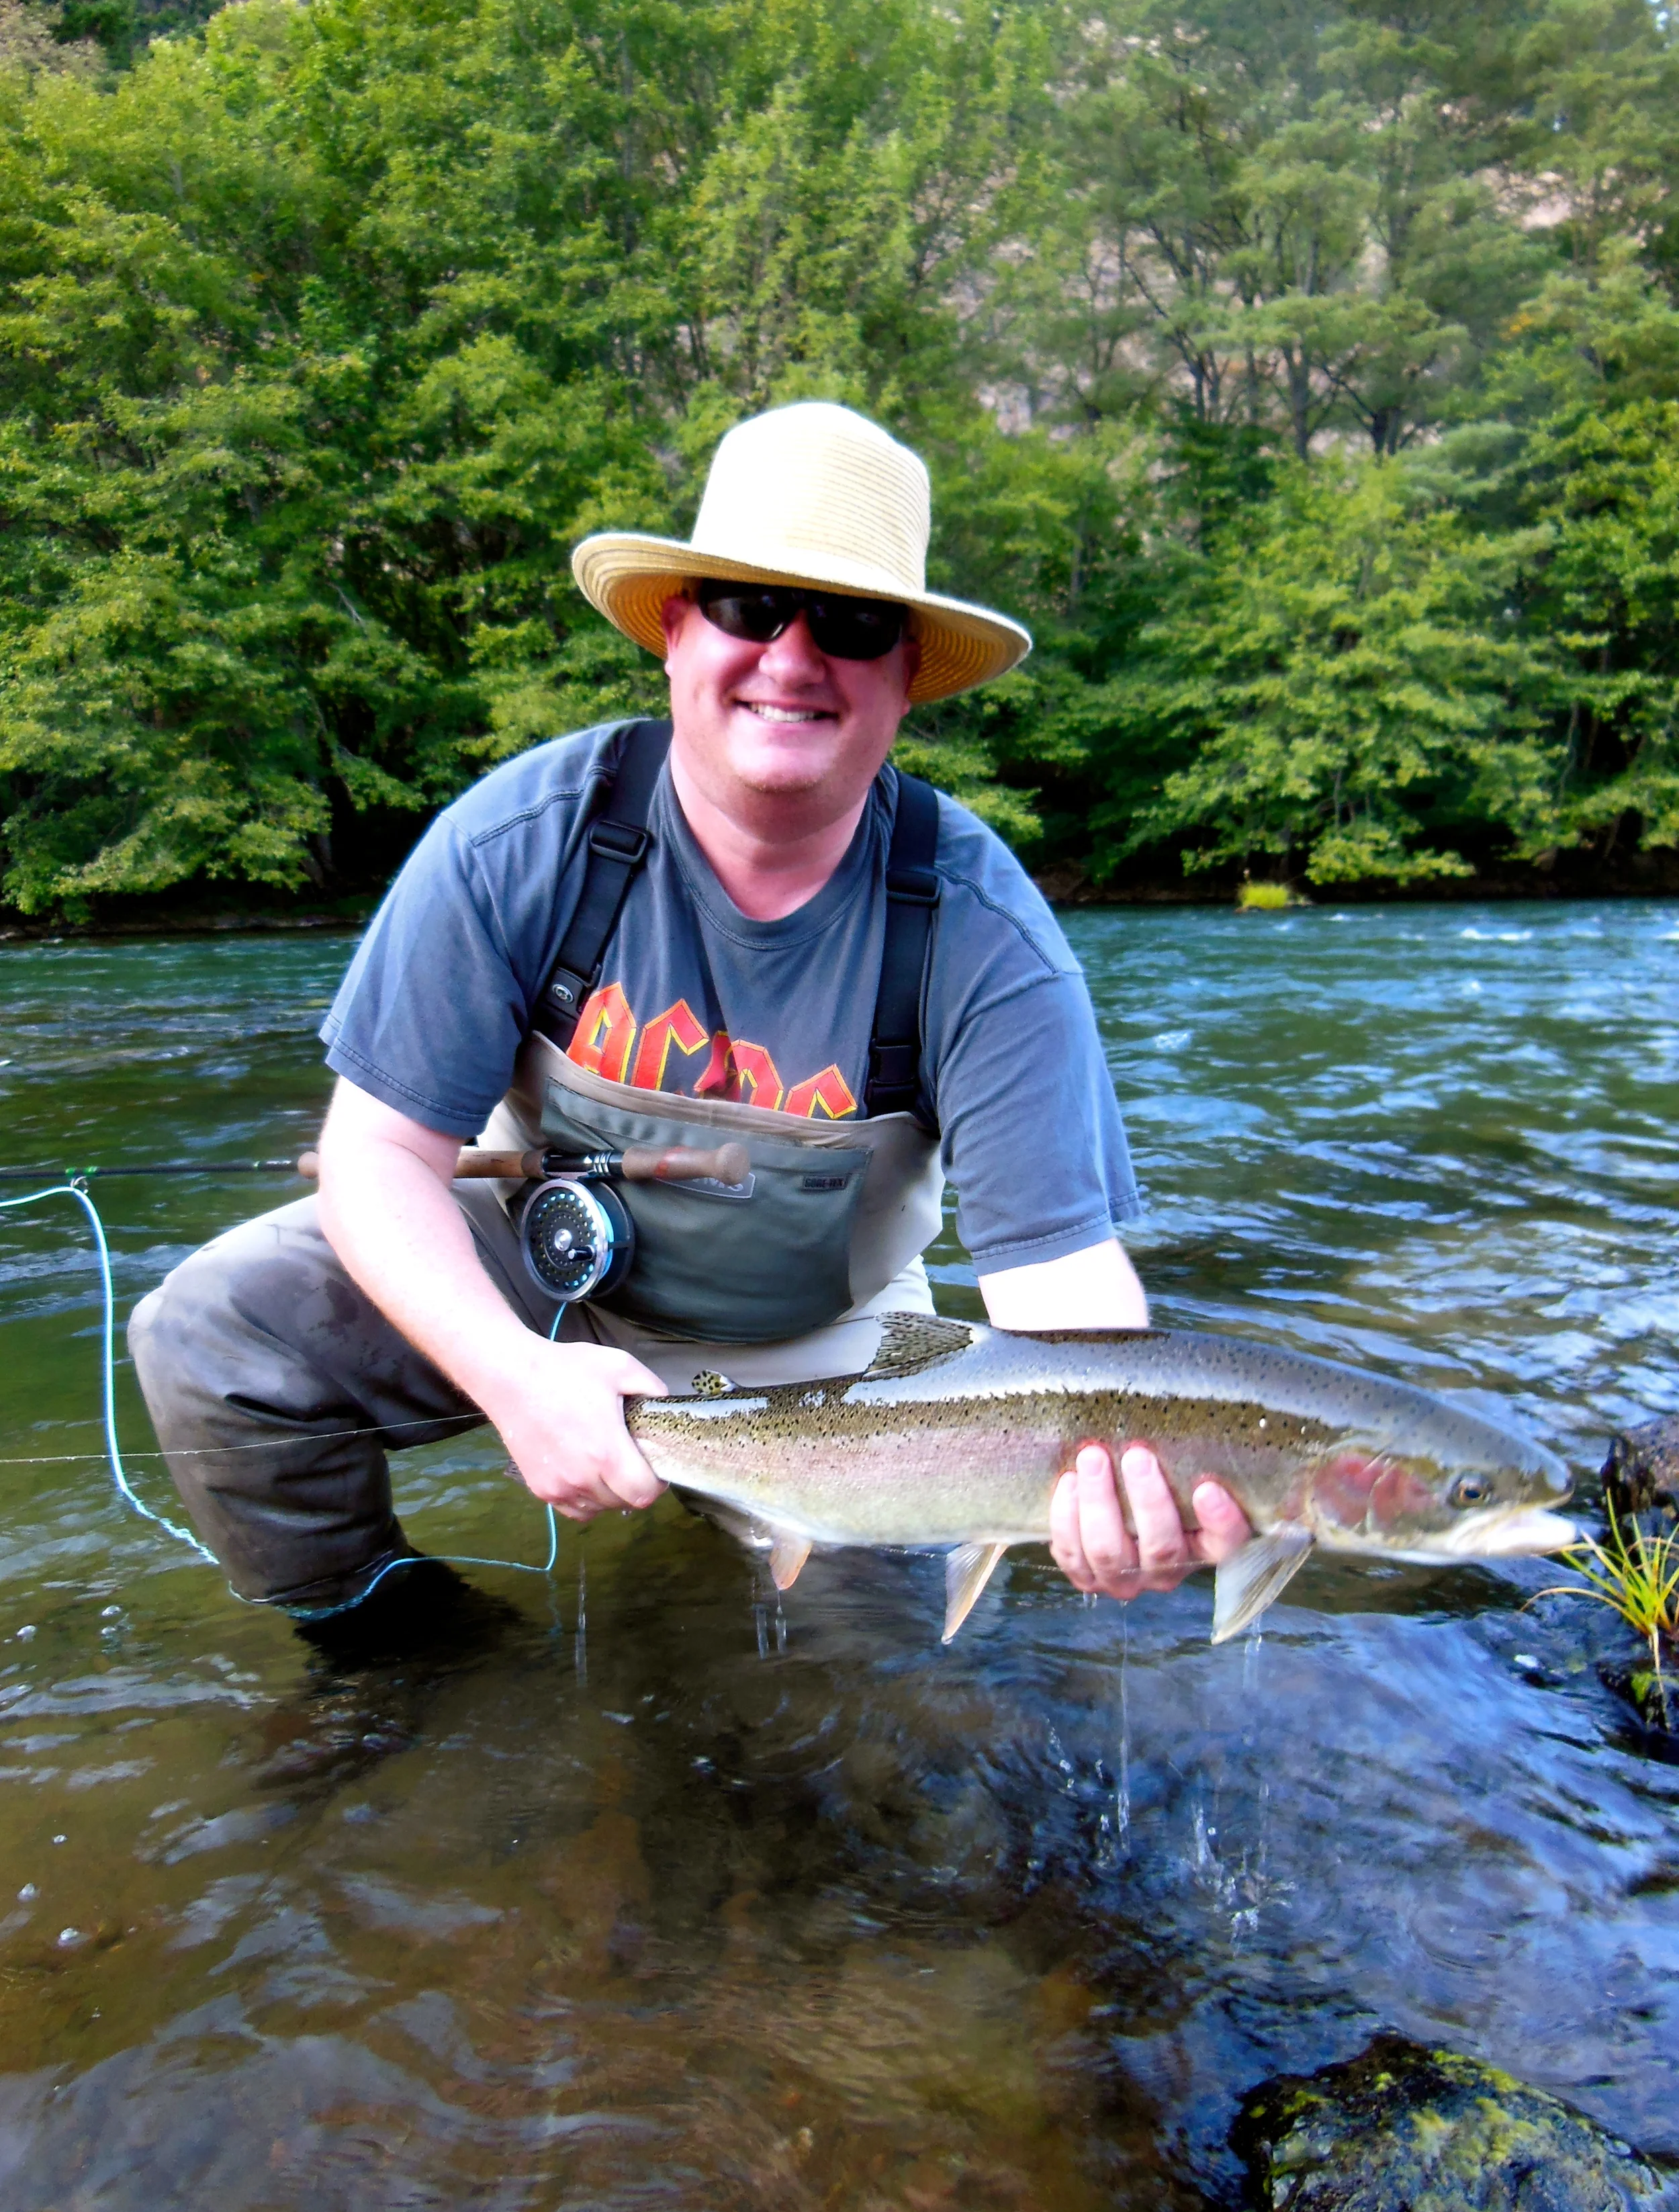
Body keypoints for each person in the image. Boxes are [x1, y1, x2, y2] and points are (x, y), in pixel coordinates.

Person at [128, 401, 1251, 1626]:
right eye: (748, 606)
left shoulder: (985, 931)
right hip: (536, 1280)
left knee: (859, 1728)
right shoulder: (524, 841)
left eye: (855, 622)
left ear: (907, 677)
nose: (793, 655)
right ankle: (403, 1666)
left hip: (828, 1348)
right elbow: (379, 1153)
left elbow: (1060, 1283)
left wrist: (1119, 1468)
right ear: (675, 628)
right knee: (212, 1336)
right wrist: (512, 1377)